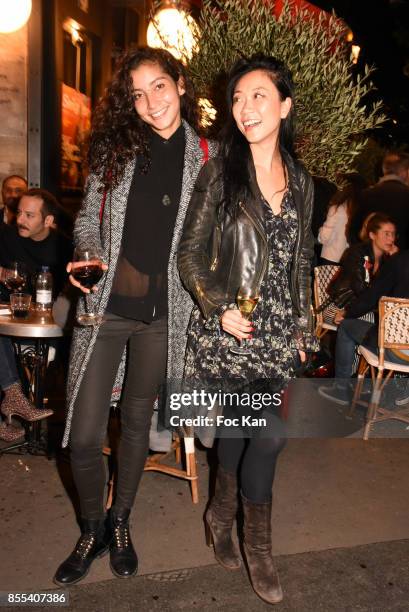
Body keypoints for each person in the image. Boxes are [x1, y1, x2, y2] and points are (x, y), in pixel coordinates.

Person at [54, 47, 217, 587]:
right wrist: (86, 254)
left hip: (165, 316)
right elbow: (86, 220)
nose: (150, 103)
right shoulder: (116, 149)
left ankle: (120, 520)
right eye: (138, 95)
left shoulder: (210, 157)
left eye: (159, 87)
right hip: (108, 307)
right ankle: (92, 525)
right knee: (82, 436)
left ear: (181, 84)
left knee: (137, 429)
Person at [178, 54, 317, 605]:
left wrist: (305, 324)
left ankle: (249, 538)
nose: (245, 107)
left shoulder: (303, 182)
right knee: (239, 433)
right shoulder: (220, 172)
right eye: (237, 97)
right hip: (228, 329)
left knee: (271, 434)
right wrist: (215, 306)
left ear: (284, 106)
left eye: (258, 95)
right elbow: (189, 254)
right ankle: (225, 514)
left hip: (277, 333)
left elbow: (303, 259)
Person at [0, 189, 71, 442]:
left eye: (29, 215)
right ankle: (14, 397)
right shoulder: (6, 235)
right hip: (6, 317)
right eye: (19, 212)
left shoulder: (63, 247)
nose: (20, 220)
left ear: (48, 221)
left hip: (46, 324)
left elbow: (69, 295)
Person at [318, 250, 409, 406]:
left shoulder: (400, 261)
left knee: (346, 326)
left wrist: (347, 313)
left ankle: (340, 389)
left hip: (397, 351)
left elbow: (372, 297)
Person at [326, 212, 398, 311]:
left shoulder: (387, 259)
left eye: (393, 234)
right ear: (372, 235)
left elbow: (394, 288)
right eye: (386, 234)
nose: (391, 239)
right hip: (339, 306)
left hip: (365, 307)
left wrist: (395, 261)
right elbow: (360, 289)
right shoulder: (357, 253)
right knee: (379, 324)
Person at [349, 151, 409, 248]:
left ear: (384, 169)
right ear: (406, 172)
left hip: (369, 257)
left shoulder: (366, 194)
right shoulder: (406, 194)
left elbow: (353, 230)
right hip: (400, 258)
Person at [318, 173, 367, 265]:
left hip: (332, 257)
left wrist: (320, 232)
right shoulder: (359, 209)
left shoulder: (337, 209)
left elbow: (325, 237)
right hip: (351, 259)